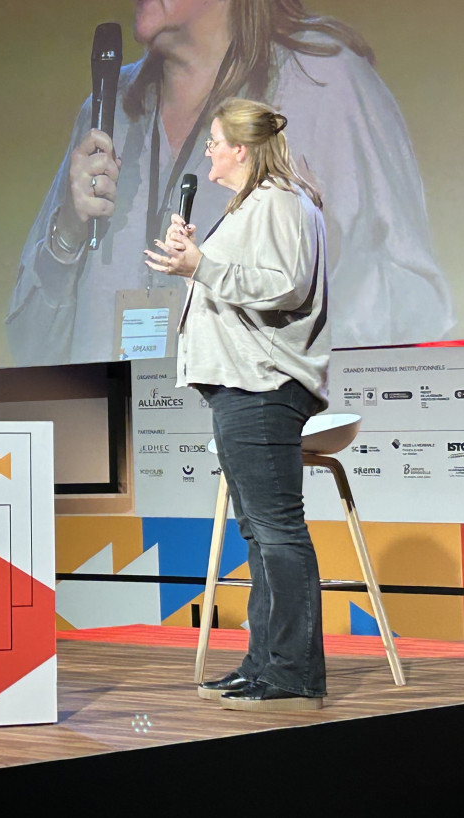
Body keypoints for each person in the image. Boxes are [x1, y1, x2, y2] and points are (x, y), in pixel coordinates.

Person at [7, 0, 453, 365]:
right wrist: (67, 234)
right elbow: (27, 345)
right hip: (119, 442)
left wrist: (318, 259)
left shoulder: (325, 87)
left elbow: (420, 316)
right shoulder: (108, 112)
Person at [146, 97, 329, 711]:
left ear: (241, 150)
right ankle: (265, 663)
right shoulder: (251, 206)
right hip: (240, 384)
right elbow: (244, 279)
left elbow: (285, 285)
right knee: (259, 533)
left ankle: (293, 670)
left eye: (215, 141)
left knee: (276, 531)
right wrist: (196, 261)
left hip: (264, 384)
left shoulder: (279, 201)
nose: (207, 150)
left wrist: (203, 266)